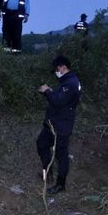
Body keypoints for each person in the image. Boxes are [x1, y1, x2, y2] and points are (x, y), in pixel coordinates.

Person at [37, 56, 82, 195]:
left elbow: (58, 101)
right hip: (52, 124)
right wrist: (51, 91)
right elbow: (60, 97)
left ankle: (60, 184)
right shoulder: (66, 81)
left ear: (63, 67)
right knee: (41, 144)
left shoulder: (71, 83)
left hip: (61, 127)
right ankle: (47, 172)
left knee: (61, 155)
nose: (56, 72)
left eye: (57, 69)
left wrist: (47, 91)